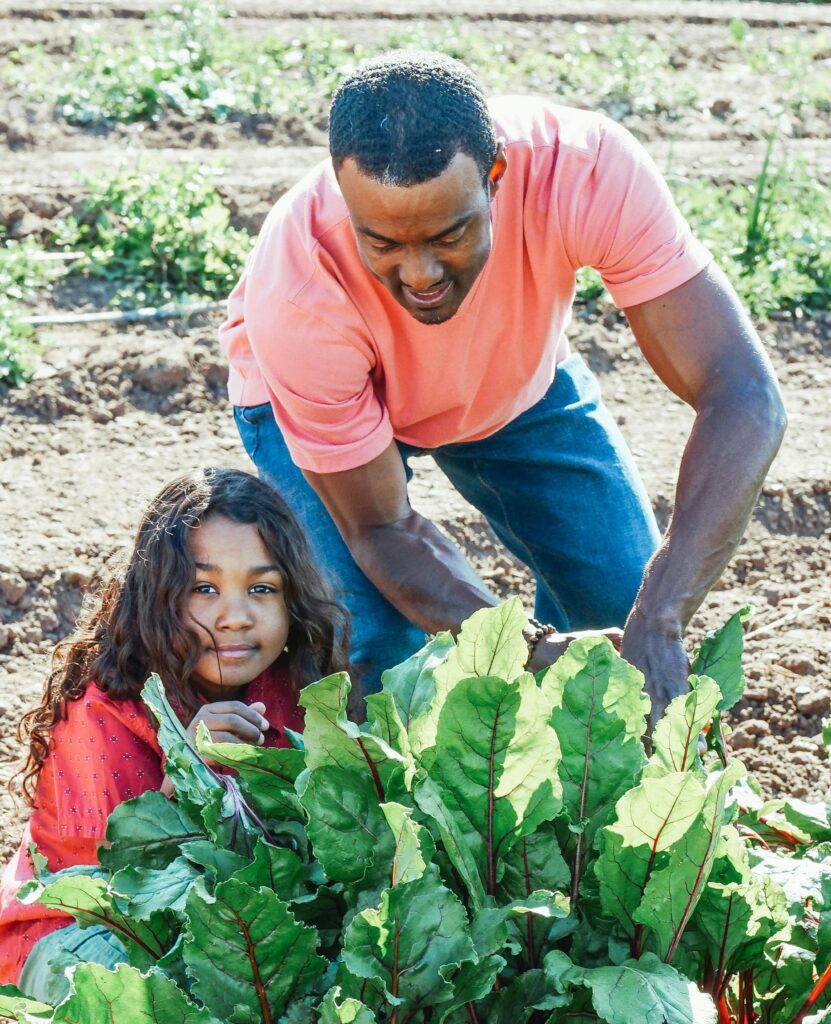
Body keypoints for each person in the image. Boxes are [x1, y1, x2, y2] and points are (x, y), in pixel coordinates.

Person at [220, 50, 786, 722]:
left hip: (508, 378)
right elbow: (380, 527)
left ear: (496, 177)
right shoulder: (298, 281)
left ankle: (576, 803)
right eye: (384, 245)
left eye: (449, 233)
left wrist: (660, 612)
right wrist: (526, 648)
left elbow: (743, 395)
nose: (420, 273)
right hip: (325, 401)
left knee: (616, 603)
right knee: (381, 655)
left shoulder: (584, 169)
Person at [0, 468, 348, 999]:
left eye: (262, 588)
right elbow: (112, 882)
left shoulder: (296, 688)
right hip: (89, 928)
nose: (235, 617)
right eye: (203, 589)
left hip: (233, 926)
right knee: (116, 976)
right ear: (156, 597)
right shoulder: (103, 709)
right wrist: (187, 769)